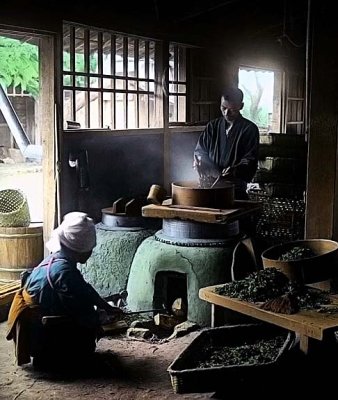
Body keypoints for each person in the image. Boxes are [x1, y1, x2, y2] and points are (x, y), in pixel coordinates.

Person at [7, 211, 123, 369]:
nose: (91, 251)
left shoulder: (56, 259)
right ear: (79, 249)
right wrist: (102, 318)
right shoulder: (65, 273)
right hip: (40, 332)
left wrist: (107, 307)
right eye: (89, 248)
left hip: (38, 323)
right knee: (87, 331)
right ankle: (55, 358)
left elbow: (85, 290)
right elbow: (80, 312)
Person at [194, 87, 259, 199]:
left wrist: (235, 170)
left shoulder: (249, 129)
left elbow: (250, 159)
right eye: (223, 107)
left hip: (235, 187)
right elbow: (200, 151)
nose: (226, 113)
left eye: (232, 109)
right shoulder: (212, 126)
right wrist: (199, 160)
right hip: (210, 185)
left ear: (241, 106)